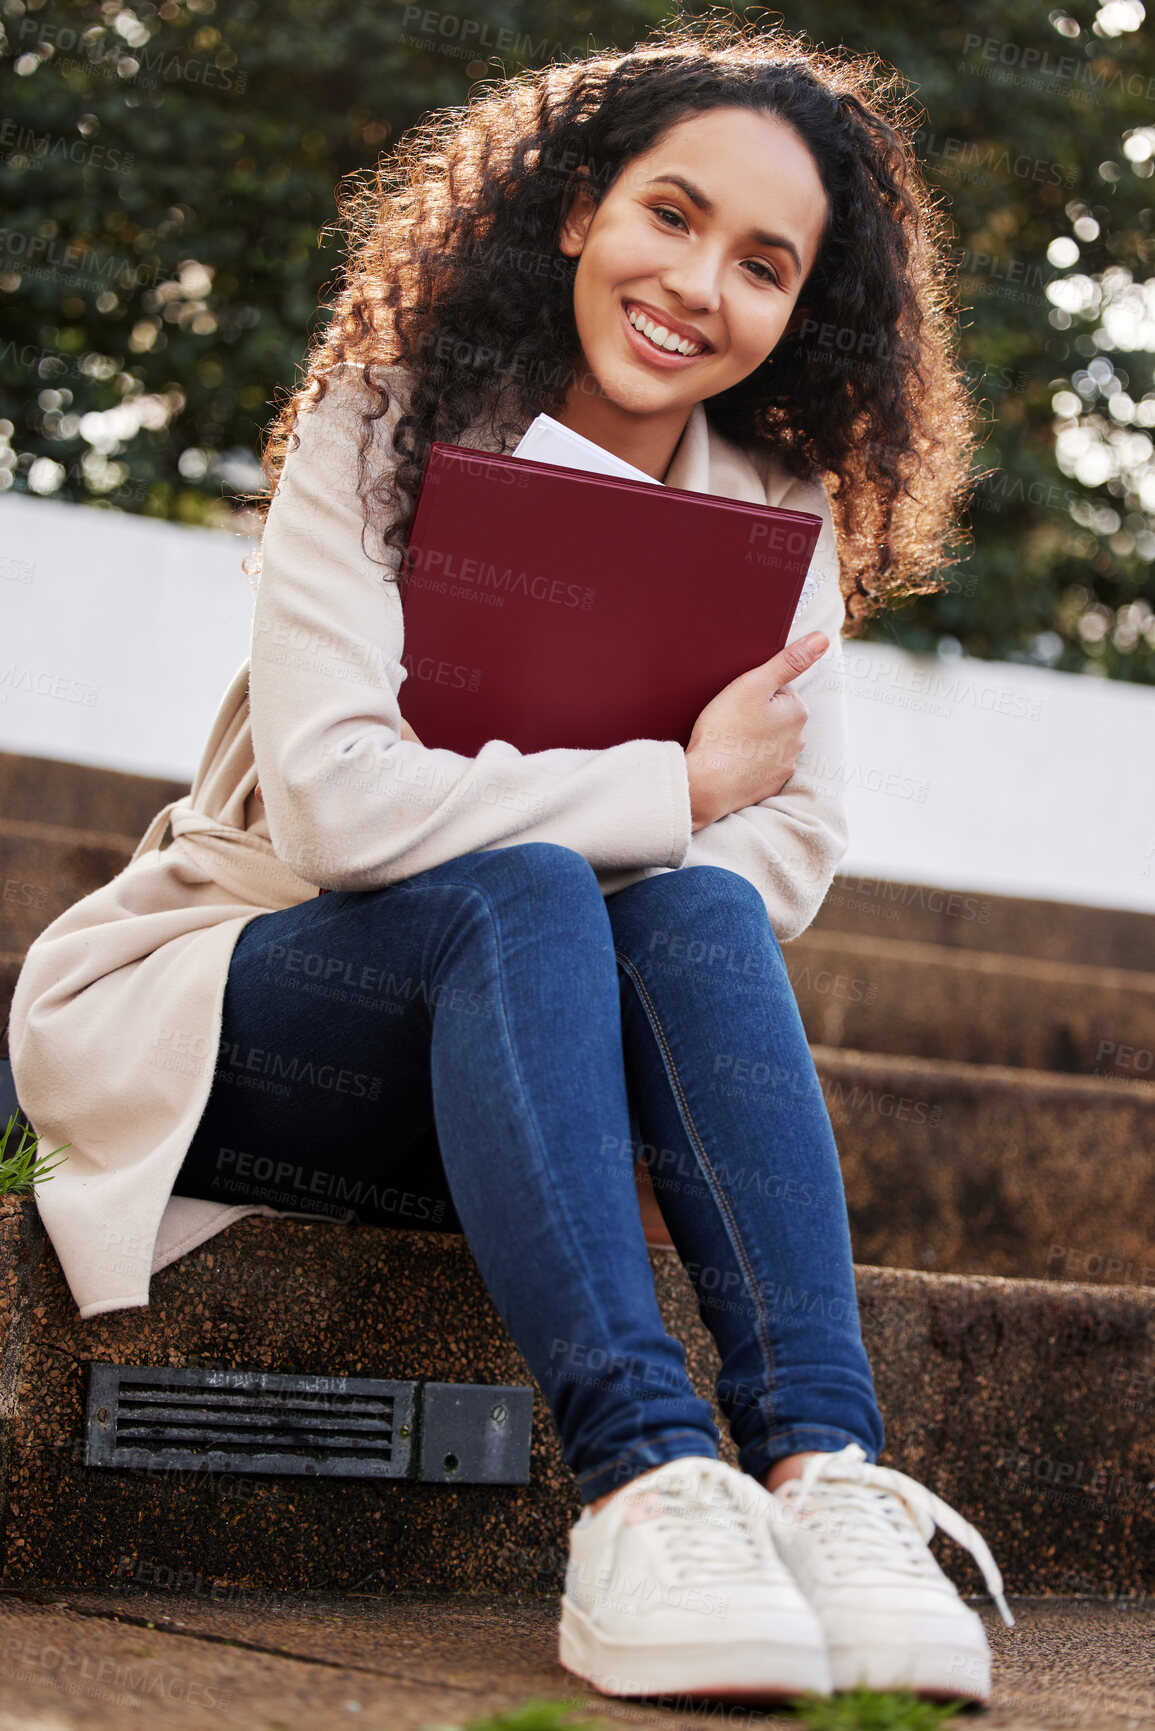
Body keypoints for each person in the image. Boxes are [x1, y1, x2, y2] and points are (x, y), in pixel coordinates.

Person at [9, 14, 1014, 1710]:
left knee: (678, 905)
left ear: (805, 312)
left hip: (535, 1065)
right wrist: (666, 783)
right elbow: (335, 809)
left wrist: (652, 829)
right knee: (557, 885)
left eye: (765, 264)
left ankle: (826, 1480)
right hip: (244, 1013)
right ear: (574, 210)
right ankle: (640, 1483)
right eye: (670, 216)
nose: (701, 284)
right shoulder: (379, 425)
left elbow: (787, 853)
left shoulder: (783, 517)